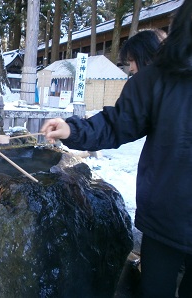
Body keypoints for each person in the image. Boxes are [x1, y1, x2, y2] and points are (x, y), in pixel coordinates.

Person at [40, 1, 192, 297]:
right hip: (166, 217)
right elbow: (117, 123)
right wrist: (73, 129)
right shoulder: (159, 78)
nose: (129, 69)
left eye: (130, 64)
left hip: (163, 211)